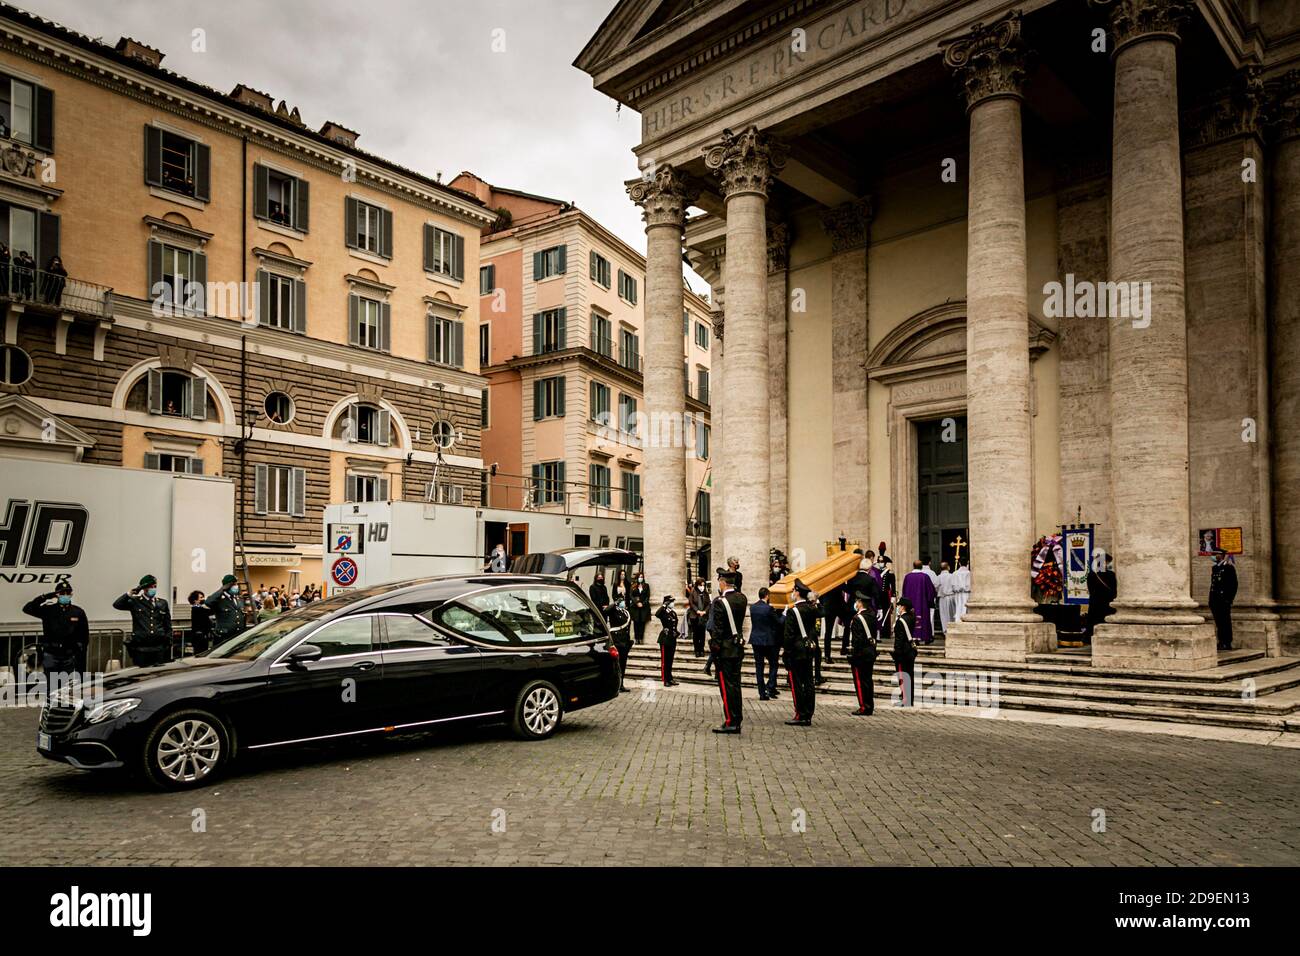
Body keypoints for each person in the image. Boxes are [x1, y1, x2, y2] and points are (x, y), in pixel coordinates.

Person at [22, 581, 88, 694]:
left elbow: (84, 636)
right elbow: (27, 608)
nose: (65, 595)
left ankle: (63, 710)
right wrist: (46, 596)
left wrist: (80, 655)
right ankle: (50, 709)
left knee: (66, 688)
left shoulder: (78, 612)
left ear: (72, 594)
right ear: (57, 595)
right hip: (51, 654)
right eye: (62, 593)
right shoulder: (48, 610)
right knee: (51, 688)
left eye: (67, 592)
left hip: (68, 656)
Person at [707, 567, 746, 734]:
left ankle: (731, 720)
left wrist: (714, 650)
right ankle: (737, 718)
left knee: (726, 686)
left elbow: (718, 629)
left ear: (722, 582)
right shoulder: (742, 598)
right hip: (737, 647)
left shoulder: (719, 602)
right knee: (735, 685)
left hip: (725, 650)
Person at [113, 574, 173, 667]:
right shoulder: (135, 601)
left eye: (155, 586)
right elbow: (117, 605)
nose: (153, 589)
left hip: (159, 648)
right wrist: (129, 594)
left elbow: (167, 624)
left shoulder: (162, 603)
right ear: (144, 588)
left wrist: (168, 640)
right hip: (141, 648)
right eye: (151, 587)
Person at [782, 579, 818, 725]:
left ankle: (800, 713)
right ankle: (808, 712)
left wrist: (786, 652)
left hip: (796, 651)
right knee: (809, 682)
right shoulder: (811, 609)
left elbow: (789, 635)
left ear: (797, 593)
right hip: (808, 649)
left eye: (793, 591)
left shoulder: (793, 611)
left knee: (797, 683)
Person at [848, 590, 878, 715]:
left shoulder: (857, 618)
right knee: (868, 680)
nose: (855, 603)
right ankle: (869, 705)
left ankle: (864, 706)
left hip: (860, 654)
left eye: (856, 601)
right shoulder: (872, 615)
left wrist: (854, 655)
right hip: (870, 651)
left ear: (860, 603)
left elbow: (857, 640)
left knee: (860, 682)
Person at [748, 587, 781, 701]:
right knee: (774, 664)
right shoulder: (769, 608)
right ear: (767, 595)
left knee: (759, 667)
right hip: (767, 641)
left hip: (755, 640)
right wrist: (785, 613)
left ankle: (762, 693)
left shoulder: (752, 607)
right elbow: (779, 622)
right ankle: (770, 685)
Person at [891, 597, 919, 706]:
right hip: (909, 651)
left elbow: (899, 639)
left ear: (903, 607)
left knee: (903, 676)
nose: (897, 607)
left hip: (902, 652)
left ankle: (905, 699)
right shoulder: (911, 618)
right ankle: (909, 699)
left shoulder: (901, 621)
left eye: (898, 606)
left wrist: (896, 653)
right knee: (909, 675)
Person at [901, 560, 937, 645]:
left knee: (911, 620)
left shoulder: (907, 577)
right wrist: (931, 602)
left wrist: (904, 603)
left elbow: (904, 591)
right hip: (922, 604)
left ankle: (913, 638)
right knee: (924, 620)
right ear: (921, 567)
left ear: (913, 566)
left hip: (910, 605)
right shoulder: (925, 577)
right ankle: (925, 638)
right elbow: (930, 591)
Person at [1209, 548, 1238, 651]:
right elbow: (1213, 585)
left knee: (1225, 621)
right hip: (1215, 601)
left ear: (1221, 555)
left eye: (1215, 554)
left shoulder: (1229, 568)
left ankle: (1227, 642)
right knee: (1219, 622)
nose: (1213, 556)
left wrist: (1228, 600)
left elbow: (1233, 585)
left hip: (1223, 600)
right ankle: (1221, 642)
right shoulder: (1215, 568)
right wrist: (1211, 600)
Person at [205, 574, 246, 644]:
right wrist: (222, 589)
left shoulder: (238, 598)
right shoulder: (220, 599)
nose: (236, 586)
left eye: (236, 584)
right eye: (233, 584)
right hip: (224, 637)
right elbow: (208, 602)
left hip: (237, 636)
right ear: (227, 586)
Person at [1084, 555, 1116, 643]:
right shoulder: (1111, 574)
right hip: (1107, 602)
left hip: (1095, 602)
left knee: (1094, 621)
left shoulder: (1091, 574)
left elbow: (1090, 589)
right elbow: (1114, 590)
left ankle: (1089, 638)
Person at [607, 598, 633, 692]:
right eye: (621, 601)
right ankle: (615, 685)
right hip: (617, 641)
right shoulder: (613, 611)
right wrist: (615, 603)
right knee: (616, 664)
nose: (623, 602)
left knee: (623, 664)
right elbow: (606, 610)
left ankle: (621, 684)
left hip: (625, 641)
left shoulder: (626, 612)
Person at [653, 595, 680, 686]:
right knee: (665, 660)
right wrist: (664, 605)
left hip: (672, 638)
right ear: (667, 603)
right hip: (665, 638)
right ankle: (665, 680)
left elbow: (674, 625)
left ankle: (670, 678)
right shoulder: (663, 612)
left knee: (670, 660)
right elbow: (657, 614)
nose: (673, 603)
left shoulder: (673, 613)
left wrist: (676, 632)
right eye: (671, 602)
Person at [687, 577, 709, 657]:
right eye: (701, 585)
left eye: (703, 585)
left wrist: (705, 611)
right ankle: (697, 650)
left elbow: (708, 604)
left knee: (702, 634)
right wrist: (697, 611)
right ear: (697, 585)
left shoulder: (705, 593)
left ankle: (702, 650)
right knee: (696, 634)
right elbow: (691, 603)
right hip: (695, 616)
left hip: (703, 616)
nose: (702, 587)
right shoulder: (693, 592)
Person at [187, 590, 214, 655]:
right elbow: (210, 611)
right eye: (201, 597)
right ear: (195, 600)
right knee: (200, 653)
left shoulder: (200, 608)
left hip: (202, 635)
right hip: (199, 636)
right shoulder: (196, 609)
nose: (203, 599)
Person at [630, 571, 651, 645]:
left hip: (644, 607)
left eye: (642, 577)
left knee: (642, 623)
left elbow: (647, 596)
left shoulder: (646, 586)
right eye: (639, 577)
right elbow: (631, 596)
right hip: (635, 607)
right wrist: (637, 603)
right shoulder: (633, 586)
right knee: (636, 623)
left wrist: (642, 603)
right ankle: (636, 638)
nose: (640, 578)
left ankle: (641, 639)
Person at [936, 561, 956, 634]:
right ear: (948, 567)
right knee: (952, 614)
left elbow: (936, 587)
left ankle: (945, 630)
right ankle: (952, 629)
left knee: (944, 615)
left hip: (943, 598)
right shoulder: (952, 576)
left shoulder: (938, 577)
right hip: (951, 597)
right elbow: (955, 586)